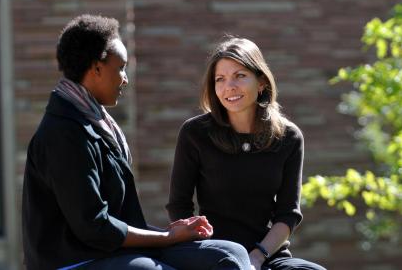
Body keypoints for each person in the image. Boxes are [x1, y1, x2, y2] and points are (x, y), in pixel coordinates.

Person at [22, 15, 251, 270]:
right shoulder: (62, 133)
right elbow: (94, 227)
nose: (125, 79)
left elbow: (118, 221)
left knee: (229, 254)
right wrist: (167, 237)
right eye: (120, 68)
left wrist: (170, 232)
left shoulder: (97, 123)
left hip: (111, 252)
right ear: (97, 68)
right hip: (74, 261)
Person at [166, 37, 325, 270]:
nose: (229, 86)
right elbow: (179, 206)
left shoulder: (289, 137)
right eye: (220, 79)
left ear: (261, 82)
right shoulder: (195, 133)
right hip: (212, 249)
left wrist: (257, 257)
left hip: (265, 252)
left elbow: (287, 215)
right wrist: (201, 247)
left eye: (240, 76)